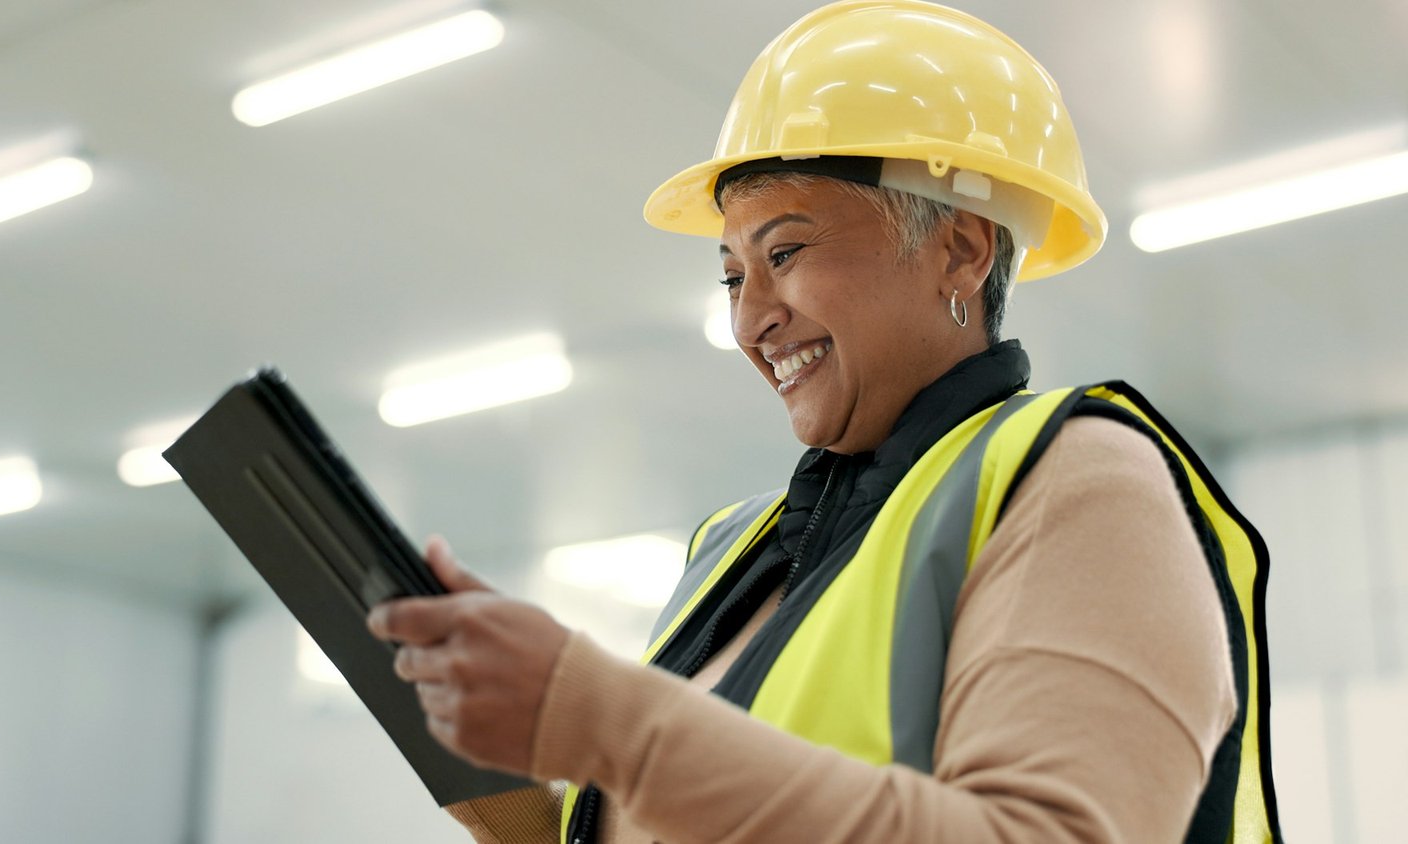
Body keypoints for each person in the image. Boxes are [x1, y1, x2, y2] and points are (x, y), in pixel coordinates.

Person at [366, 2, 1282, 841]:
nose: (748, 319)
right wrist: (492, 761)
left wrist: (600, 716)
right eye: (732, 275)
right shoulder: (731, 548)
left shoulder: (1075, 483)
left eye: (787, 251)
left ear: (960, 250)